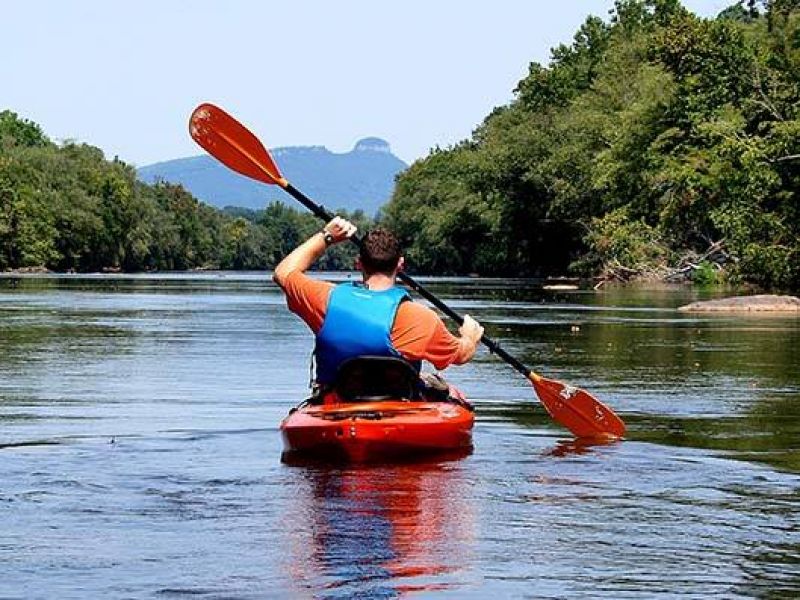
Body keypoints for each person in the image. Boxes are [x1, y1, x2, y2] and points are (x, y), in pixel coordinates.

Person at [272, 216, 484, 395]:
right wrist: (470, 337)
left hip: (334, 408)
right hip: (398, 408)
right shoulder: (421, 317)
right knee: (442, 389)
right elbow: (461, 355)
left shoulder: (325, 299)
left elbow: (283, 273)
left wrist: (327, 236)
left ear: (358, 263)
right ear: (400, 265)